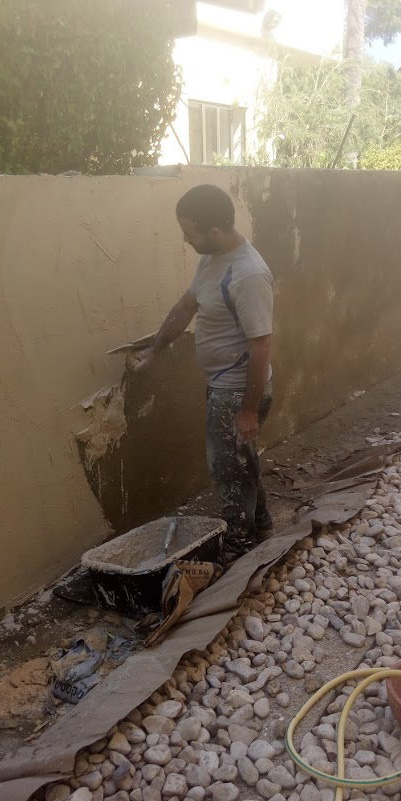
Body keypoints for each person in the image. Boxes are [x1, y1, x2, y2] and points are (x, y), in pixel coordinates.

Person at [133, 184, 274, 559]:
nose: (185, 240)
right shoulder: (212, 259)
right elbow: (186, 306)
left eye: (190, 233)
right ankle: (261, 525)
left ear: (214, 230)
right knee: (242, 462)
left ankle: (239, 546)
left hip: (236, 391)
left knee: (228, 471)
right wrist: (154, 349)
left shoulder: (248, 275)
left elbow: (260, 345)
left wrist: (248, 409)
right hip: (224, 386)